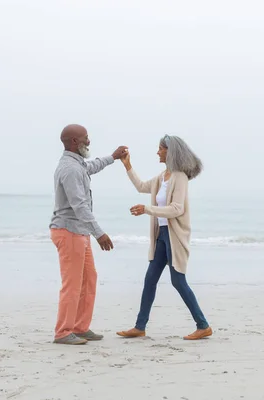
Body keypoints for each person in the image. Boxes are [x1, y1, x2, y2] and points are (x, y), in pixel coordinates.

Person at [116, 134, 212, 340]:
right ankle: (140, 327)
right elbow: (142, 187)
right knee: (150, 279)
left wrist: (147, 209)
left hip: (174, 236)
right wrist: (127, 166)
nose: (157, 152)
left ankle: (203, 325)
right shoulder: (162, 177)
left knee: (178, 281)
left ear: (170, 151)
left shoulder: (180, 177)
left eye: (160, 148)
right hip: (160, 236)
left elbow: (177, 209)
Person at [49, 124, 128, 345]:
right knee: (72, 285)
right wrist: (100, 233)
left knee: (88, 280)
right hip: (69, 231)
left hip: (79, 232)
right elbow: (79, 206)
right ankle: (63, 332)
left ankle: (80, 327)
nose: (89, 141)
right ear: (74, 142)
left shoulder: (78, 164)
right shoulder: (70, 169)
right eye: (86, 138)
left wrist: (113, 157)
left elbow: (91, 167)